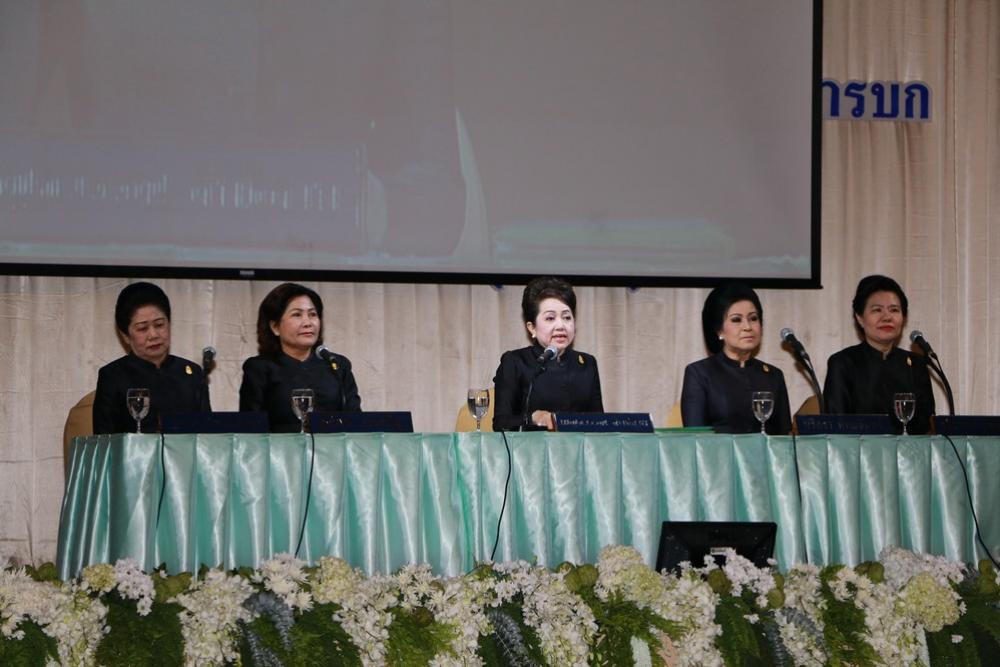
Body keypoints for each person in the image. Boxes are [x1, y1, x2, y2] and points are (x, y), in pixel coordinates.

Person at [239, 283, 361, 432]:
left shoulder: (336, 364)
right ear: (275, 327)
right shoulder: (259, 368)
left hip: (332, 446)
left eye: (312, 314)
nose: (308, 323)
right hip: (280, 446)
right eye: (297, 315)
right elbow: (250, 429)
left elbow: (356, 422)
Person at [93, 282, 211, 434]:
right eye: (142, 328)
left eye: (159, 325)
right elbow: (104, 440)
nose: (153, 335)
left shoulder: (192, 374)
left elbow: (208, 435)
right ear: (125, 336)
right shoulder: (113, 376)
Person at [824, 275, 935, 434]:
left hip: (909, 449)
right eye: (877, 310)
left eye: (894, 310)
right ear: (860, 318)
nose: (887, 317)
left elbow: (926, 426)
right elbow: (837, 425)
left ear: (903, 318)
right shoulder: (843, 363)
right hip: (858, 449)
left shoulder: (916, 364)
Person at [492, 277, 603, 431]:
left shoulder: (587, 363)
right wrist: (533, 418)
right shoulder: (515, 362)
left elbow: (599, 424)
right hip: (529, 447)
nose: (561, 325)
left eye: (567, 317)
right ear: (532, 328)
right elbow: (500, 423)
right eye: (550, 318)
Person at [681, 283, 792, 434]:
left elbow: (784, 437)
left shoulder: (773, 375)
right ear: (719, 330)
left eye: (753, 318)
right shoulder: (699, 373)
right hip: (718, 450)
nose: (747, 327)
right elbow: (696, 437)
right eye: (736, 320)